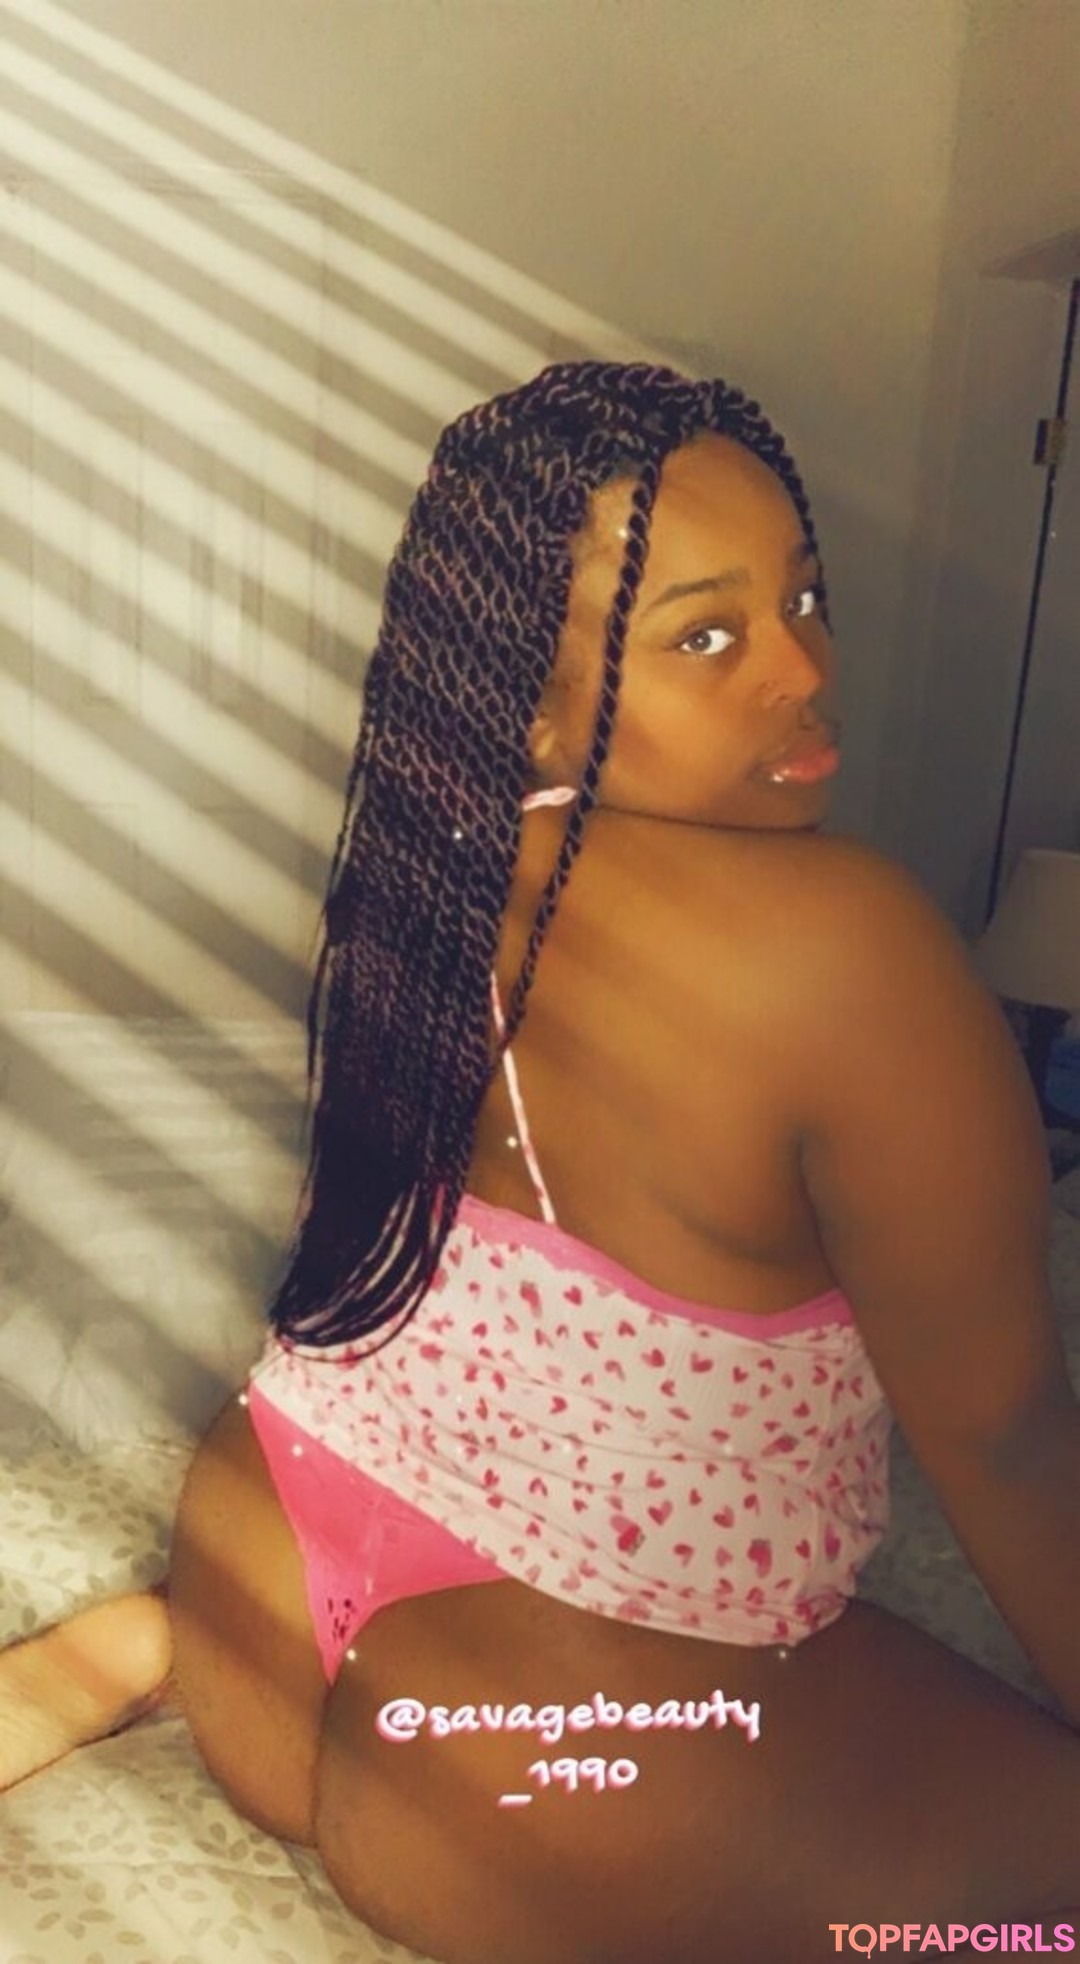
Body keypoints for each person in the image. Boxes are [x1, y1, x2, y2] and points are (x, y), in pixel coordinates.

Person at [2, 360, 1079, 1964]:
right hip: (548, 1758)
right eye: (704, 635)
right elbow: (1005, 1434)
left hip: (263, 1580)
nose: (802, 669)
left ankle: (144, 1648)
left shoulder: (432, 880)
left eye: (803, 598)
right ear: (532, 697)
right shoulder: (847, 948)